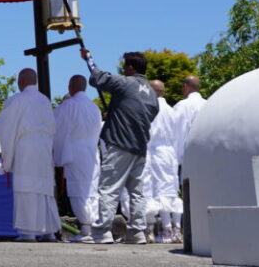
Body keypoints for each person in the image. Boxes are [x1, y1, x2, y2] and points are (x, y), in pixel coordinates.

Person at [80, 48, 159, 245]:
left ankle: (103, 231)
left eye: (125, 66)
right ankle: (137, 232)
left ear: (131, 68)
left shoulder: (126, 83)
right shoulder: (151, 93)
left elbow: (98, 77)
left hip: (119, 143)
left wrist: (89, 58)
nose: (123, 70)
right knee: (137, 192)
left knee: (109, 188)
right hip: (140, 146)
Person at [0, 68, 60, 242]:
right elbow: (54, 125)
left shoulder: (17, 100)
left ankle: (28, 232)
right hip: (45, 146)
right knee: (44, 189)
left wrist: (7, 155)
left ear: (21, 81)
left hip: (27, 146)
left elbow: (4, 125)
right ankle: (49, 231)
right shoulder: (45, 101)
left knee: (26, 187)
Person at [53, 74, 102, 243]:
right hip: (92, 151)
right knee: (91, 189)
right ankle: (92, 227)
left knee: (78, 189)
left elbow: (56, 128)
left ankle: (86, 229)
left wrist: (56, 153)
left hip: (76, 150)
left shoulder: (69, 105)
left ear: (70, 86)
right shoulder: (94, 107)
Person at [145, 80, 182, 243]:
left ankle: (165, 230)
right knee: (171, 189)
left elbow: (149, 133)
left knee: (159, 190)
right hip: (171, 153)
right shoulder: (171, 110)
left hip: (156, 152)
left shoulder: (151, 108)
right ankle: (177, 229)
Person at [173, 75, 206, 170]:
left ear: (185, 86)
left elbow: (176, 133)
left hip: (186, 160)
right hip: (206, 157)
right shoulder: (208, 104)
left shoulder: (182, 106)